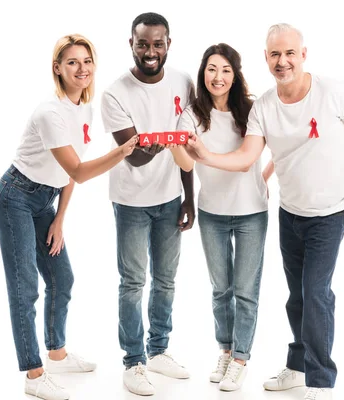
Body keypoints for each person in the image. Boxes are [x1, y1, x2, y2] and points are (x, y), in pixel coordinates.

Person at [185, 23, 344, 400]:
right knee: (297, 296)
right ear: (265, 59)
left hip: (330, 212)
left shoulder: (332, 92)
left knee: (316, 292)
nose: (283, 61)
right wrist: (205, 155)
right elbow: (248, 156)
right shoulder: (264, 107)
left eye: (290, 53)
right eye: (275, 54)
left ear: (303, 55)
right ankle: (297, 365)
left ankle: (320, 380)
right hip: (290, 213)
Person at [0, 34, 138, 400]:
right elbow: (80, 168)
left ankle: (56, 353)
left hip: (46, 201)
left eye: (86, 61)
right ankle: (34, 373)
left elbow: (70, 175)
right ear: (58, 69)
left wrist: (59, 219)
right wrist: (121, 152)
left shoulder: (83, 110)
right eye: (72, 62)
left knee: (62, 277)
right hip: (16, 198)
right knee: (25, 287)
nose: (81, 68)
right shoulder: (50, 112)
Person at [100, 12, 195, 397]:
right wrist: (155, 145)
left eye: (158, 44)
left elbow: (186, 146)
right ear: (131, 45)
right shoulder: (114, 93)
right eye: (143, 44)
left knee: (167, 280)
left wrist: (190, 196)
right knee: (133, 282)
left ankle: (158, 351)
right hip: (131, 202)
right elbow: (134, 156)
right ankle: (133, 361)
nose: (150, 51)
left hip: (171, 197)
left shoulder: (184, 82)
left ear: (168, 44)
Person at [176, 43, 268, 392]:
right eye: (212, 69)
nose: (218, 77)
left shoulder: (253, 109)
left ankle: (241, 359)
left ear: (236, 74)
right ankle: (226, 351)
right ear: (203, 73)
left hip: (251, 214)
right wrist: (180, 148)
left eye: (226, 70)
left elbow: (254, 156)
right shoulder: (192, 115)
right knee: (221, 289)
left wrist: (264, 178)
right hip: (212, 212)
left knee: (246, 291)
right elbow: (186, 163)